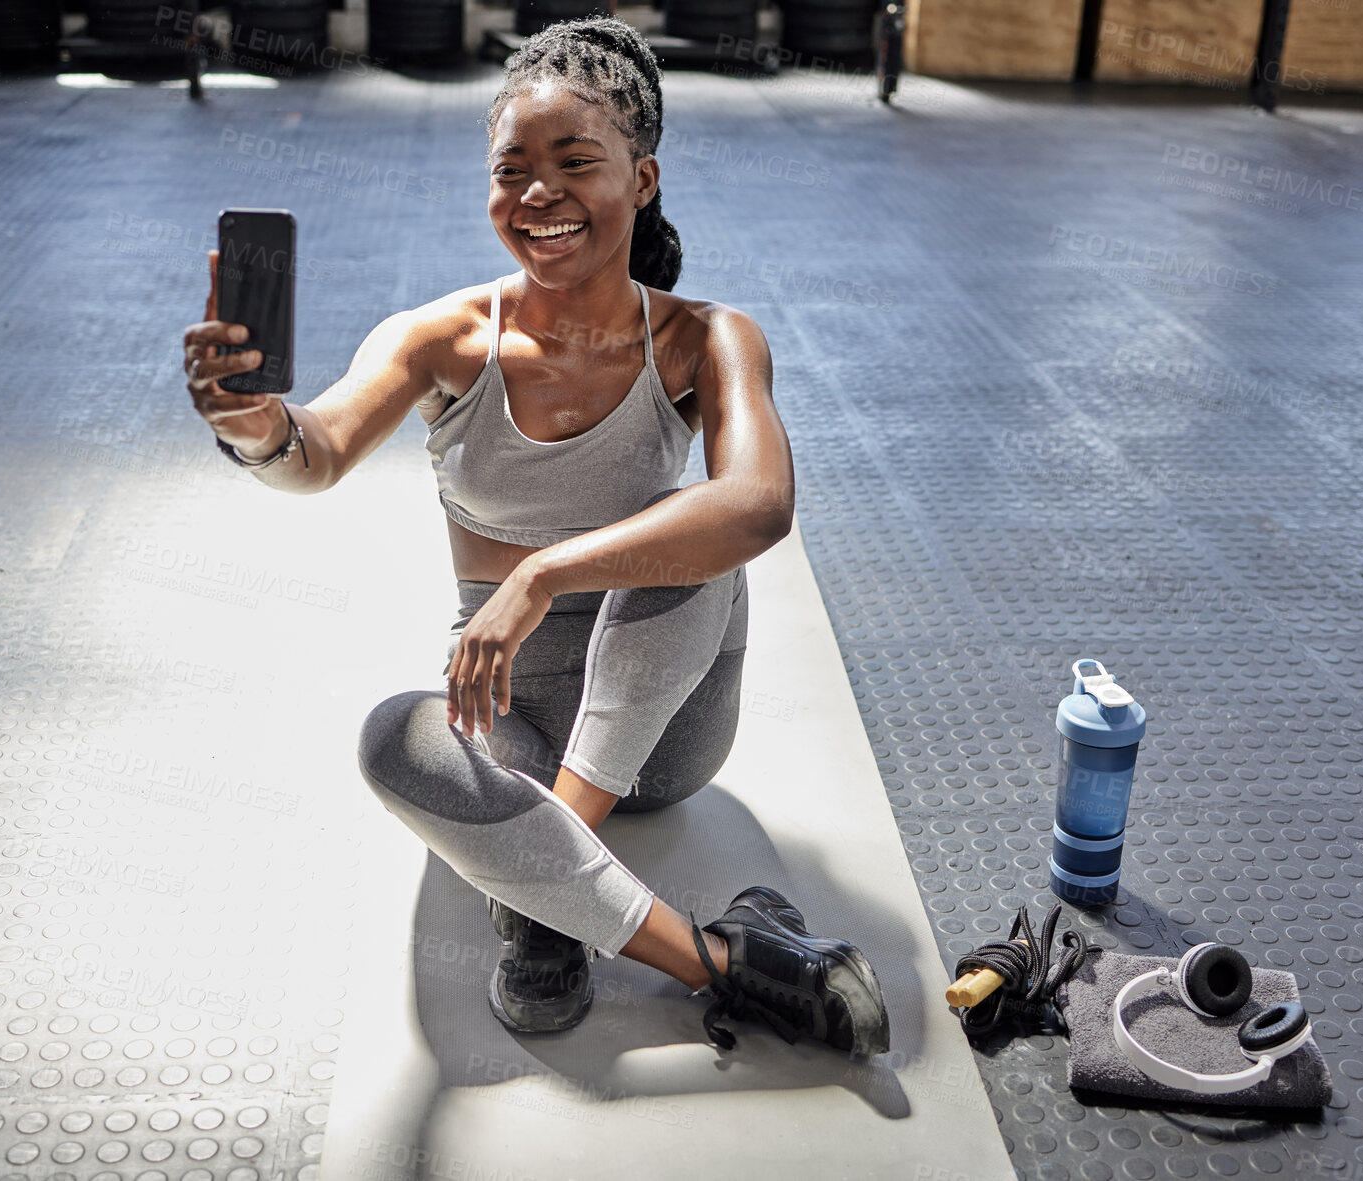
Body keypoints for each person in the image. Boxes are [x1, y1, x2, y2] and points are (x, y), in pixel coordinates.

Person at [182, 16, 888, 1059]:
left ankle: (544, 882)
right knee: (390, 737)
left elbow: (760, 504)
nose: (538, 195)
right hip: (503, 711)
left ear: (640, 180)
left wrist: (546, 572)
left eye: (575, 164)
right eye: (512, 170)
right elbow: (316, 451)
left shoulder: (707, 337)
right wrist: (253, 428)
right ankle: (722, 960)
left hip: (662, 724)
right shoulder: (440, 339)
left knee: (697, 544)